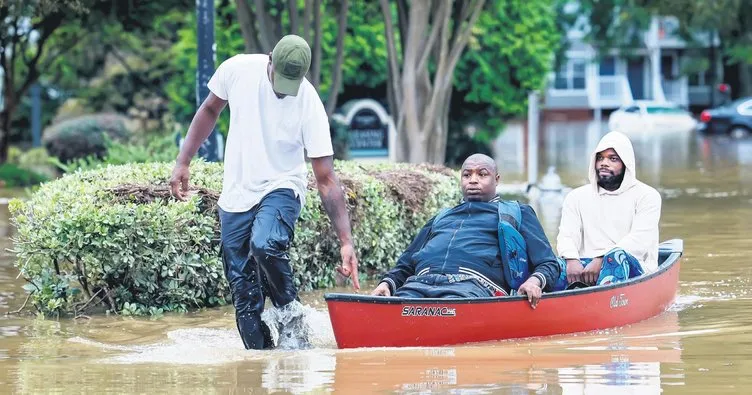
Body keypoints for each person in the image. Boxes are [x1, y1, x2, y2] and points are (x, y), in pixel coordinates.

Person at [168, 34, 359, 350]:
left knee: (265, 244)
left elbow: (325, 179)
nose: (283, 91)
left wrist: (346, 241)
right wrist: (183, 161)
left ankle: (292, 319)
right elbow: (210, 109)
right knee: (244, 299)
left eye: (291, 83)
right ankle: (262, 364)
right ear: (269, 59)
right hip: (236, 196)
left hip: (282, 187)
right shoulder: (237, 69)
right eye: (279, 79)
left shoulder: (309, 103)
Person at [370, 154, 561, 309]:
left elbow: (549, 263)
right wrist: (386, 284)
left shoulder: (517, 213)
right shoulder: (441, 217)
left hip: (473, 290)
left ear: (497, 179)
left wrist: (534, 282)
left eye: (482, 174)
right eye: (467, 175)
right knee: (392, 308)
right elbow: (405, 264)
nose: (473, 180)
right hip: (418, 286)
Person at [554, 131, 662, 290]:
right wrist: (571, 259)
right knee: (550, 264)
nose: (604, 163)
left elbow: (640, 240)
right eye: (600, 158)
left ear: (626, 164)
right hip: (585, 266)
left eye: (613, 159)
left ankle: (600, 306)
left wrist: (601, 259)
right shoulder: (576, 197)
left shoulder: (647, 196)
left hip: (634, 267)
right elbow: (567, 235)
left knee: (616, 256)